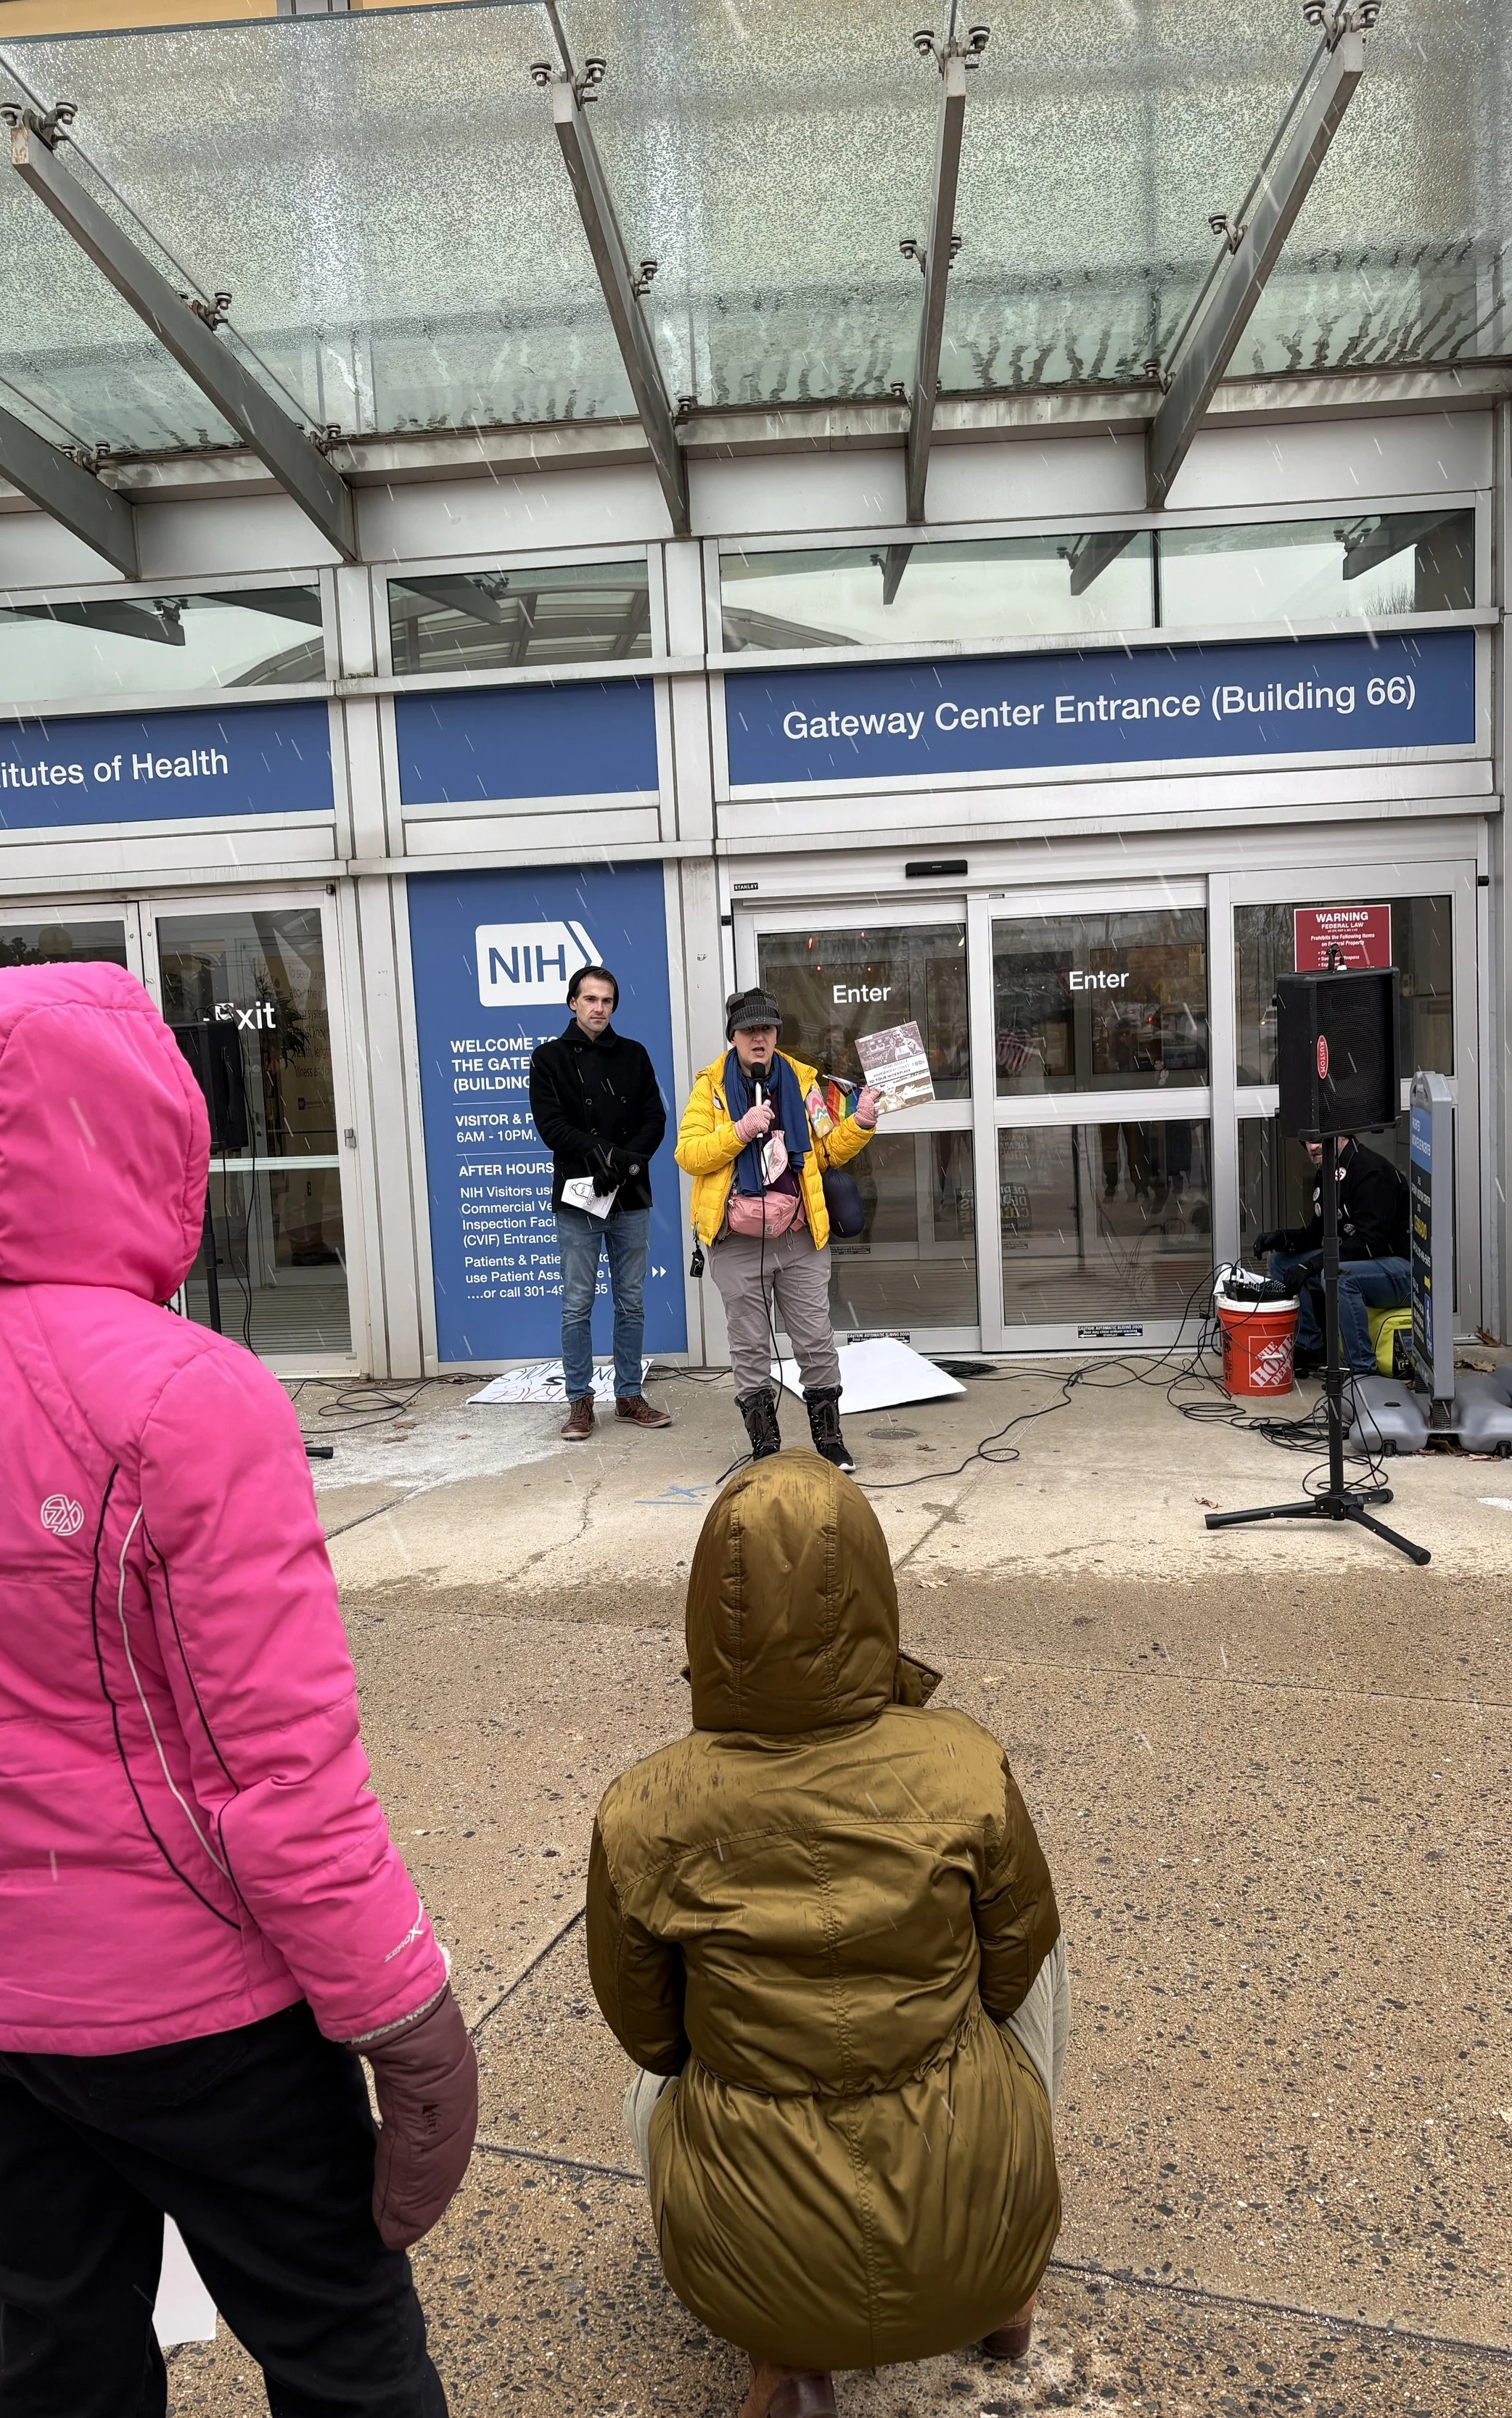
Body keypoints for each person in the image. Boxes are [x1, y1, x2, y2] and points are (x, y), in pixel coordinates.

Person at [0, 962, 475, 2418]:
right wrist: (404, 2017)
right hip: (200, 2011)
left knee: (58, 2344)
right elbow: (284, 1777)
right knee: (339, 2342)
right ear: (150, 1138)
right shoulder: (192, 1396)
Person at [588, 1455, 1068, 2418]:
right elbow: (1014, 1974)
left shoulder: (641, 1812)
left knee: (653, 2080)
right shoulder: (965, 1765)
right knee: (1040, 1948)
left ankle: (788, 2363)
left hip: (751, 2264)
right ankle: (1004, 2292)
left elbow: (653, 2040)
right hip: (971, 2215)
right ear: (872, 1595)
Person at [674, 987, 879, 1473]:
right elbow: (689, 1154)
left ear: (776, 1033)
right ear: (735, 1037)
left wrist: (863, 1123)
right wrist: (740, 1130)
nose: (759, 1038)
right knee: (749, 1344)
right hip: (736, 1238)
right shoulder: (711, 1087)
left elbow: (826, 1150)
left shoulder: (804, 1082)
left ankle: (830, 1440)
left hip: (799, 1234)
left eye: (766, 1028)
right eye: (749, 1030)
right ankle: (765, 1444)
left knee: (814, 1338)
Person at [529, 962, 670, 1442]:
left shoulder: (634, 1054)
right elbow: (552, 1127)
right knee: (577, 1304)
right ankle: (580, 1402)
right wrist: (603, 1155)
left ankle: (629, 1395)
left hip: (630, 1194)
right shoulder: (548, 1059)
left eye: (607, 1000)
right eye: (590, 999)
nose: (598, 1008)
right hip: (580, 1194)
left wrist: (627, 1163)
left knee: (631, 1302)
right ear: (573, 1002)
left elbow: (656, 1118)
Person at [1253, 1132, 1411, 1374]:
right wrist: (1282, 1239)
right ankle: (1309, 1346)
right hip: (1361, 1263)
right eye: (1307, 1142)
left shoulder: (1372, 1171)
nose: (1313, 1147)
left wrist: (1313, 1265)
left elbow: (1368, 1243)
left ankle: (1363, 1370)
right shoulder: (1328, 1172)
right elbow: (1318, 1234)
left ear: (1341, 1135)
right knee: (1281, 1261)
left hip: (1401, 1271)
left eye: (1319, 1140)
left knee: (1337, 1276)